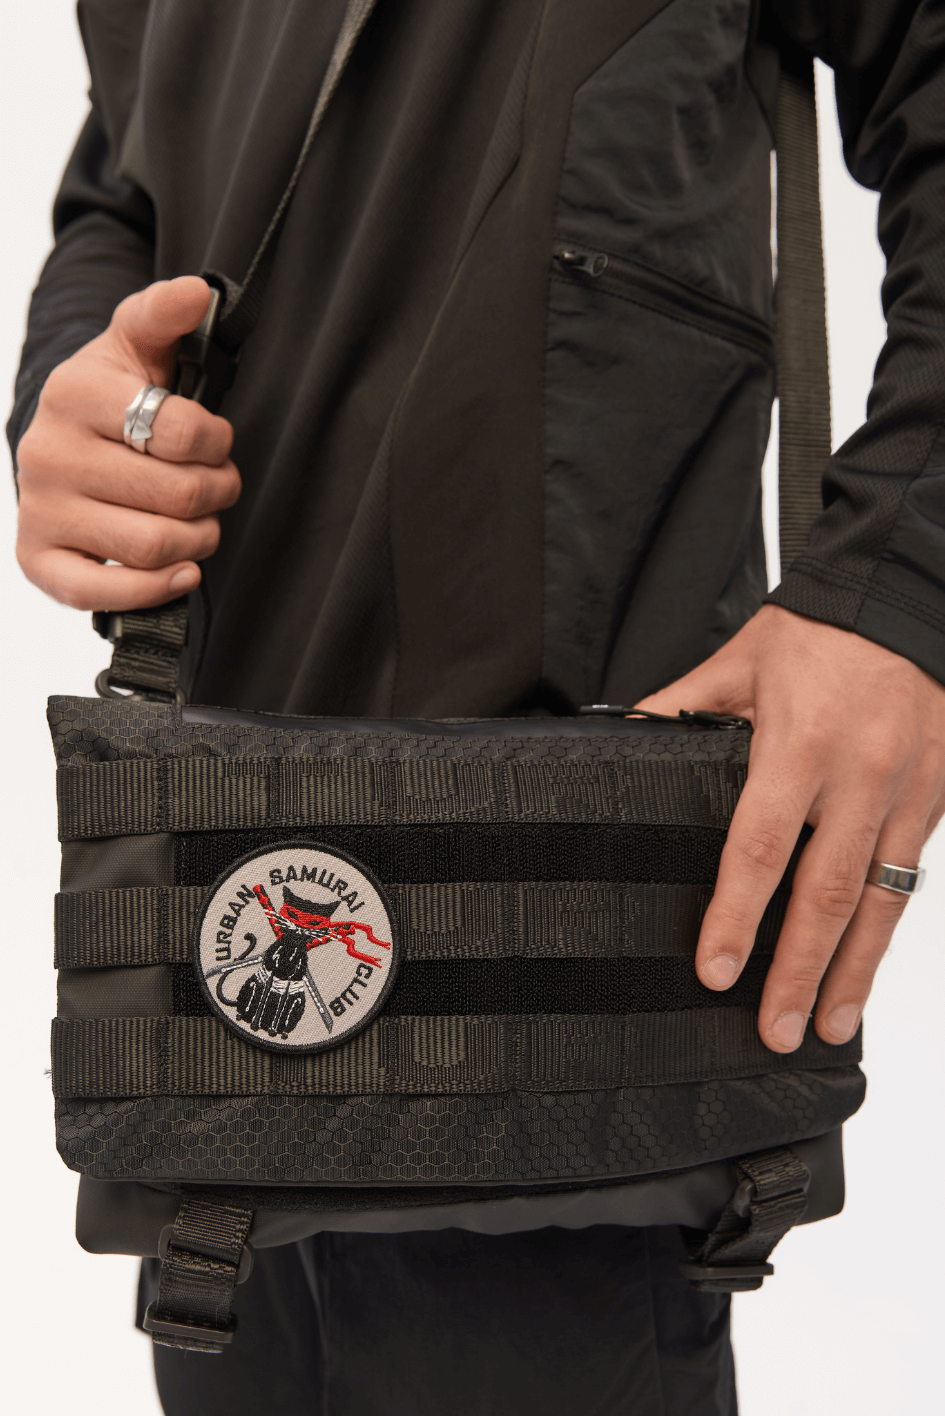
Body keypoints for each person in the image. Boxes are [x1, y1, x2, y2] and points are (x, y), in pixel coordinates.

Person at [9, 2, 945, 1412]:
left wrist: (896, 575)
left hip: (568, 973)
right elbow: (124, 179)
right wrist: (73, 394)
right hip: (217, 986)